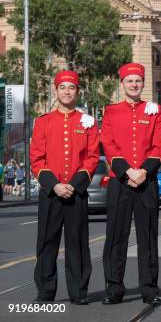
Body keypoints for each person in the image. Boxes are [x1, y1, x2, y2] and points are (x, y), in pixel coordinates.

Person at [101, 63, 161, 305]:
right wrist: (128, 171)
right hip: (121, 181)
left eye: (138, 81)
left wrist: (143, 171)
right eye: (129, 81)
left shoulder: (154, 111)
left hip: (146, 181)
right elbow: (108, 145)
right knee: (116, 236)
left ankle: (149, 289)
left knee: (148, 237)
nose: (134, 85)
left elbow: (159, 145)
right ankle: (114, 288)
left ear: (143, 84)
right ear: (122, 84)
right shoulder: (111, 111)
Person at [30, 70, 99, 304]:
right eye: (63, 87)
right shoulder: (43, 122)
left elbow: (91, 157)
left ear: (77, 92)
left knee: (77, 243)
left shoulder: (87, 122)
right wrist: (55, 185)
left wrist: (73, 185)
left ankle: (78, 291)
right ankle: (46, 291)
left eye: (71, 87)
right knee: (47, 242)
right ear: (55, 91)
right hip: (51, 193)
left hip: (76, 193)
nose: (67, 91)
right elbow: (37, 159)